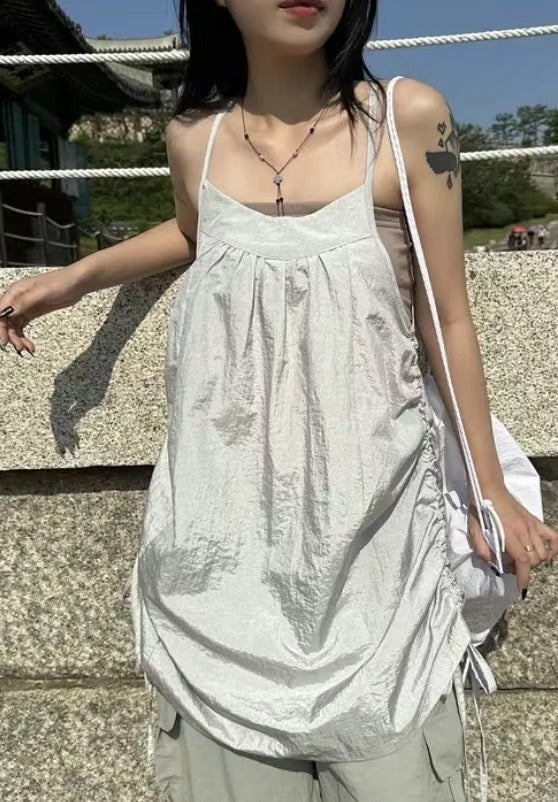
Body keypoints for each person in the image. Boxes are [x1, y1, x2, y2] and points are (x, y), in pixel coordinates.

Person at [1, 1, 556, 800]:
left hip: (380, 554)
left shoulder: (409, 118)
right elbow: (201, 228)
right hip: (223, 563)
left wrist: (491, 489)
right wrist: (76, 278)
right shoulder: (194, 138)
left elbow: (449, 316)